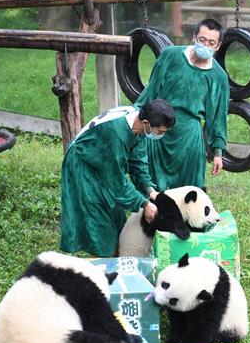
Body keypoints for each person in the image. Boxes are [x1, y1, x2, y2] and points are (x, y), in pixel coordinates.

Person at [59, 99, 175, 257]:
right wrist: (144, 203)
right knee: (99, 219)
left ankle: (114, 257)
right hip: (84, 163)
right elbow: (117, 183)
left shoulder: (138, 125)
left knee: (116, 217)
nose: (161, 135)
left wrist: (150, 190)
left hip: (104, 161)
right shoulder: (116, 135)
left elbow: (138, 162)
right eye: (160, 132)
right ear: (146, 123)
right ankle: (101, 262)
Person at [135, 18, 230, 192]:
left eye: (211, 43)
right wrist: (135, 117)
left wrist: (218, 153)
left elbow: (219, 117)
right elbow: (151, 90)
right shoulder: (170, 55)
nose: (205, 45)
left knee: (190, 189)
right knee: (150, 185)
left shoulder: (218, 77)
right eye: (202, 40)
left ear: (218, 46)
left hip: (189, 136)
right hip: (158, 127)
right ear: (194, 37)